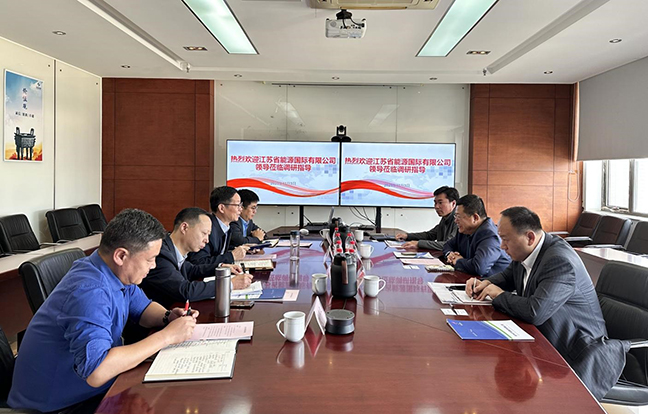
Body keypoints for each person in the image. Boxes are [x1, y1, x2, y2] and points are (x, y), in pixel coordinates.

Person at [9, 209, 199, 413]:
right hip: (58, 406)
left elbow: (142, 308)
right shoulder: (90, 292)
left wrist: (168, 317)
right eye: (149, 259)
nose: (153, 266)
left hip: (91, 389)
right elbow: (97, 371)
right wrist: (167, 337)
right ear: (121, 256)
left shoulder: (112, 271)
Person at [467, 206, 629, 400]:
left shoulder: (559, 261)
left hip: (574, 351)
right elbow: (507, 277)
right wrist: (484, 283)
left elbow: (535, 312)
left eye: (505, 239)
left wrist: (499, 295)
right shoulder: (527, 252)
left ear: (529, 237)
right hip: (543, 339)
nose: (502, 246)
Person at [139, 207, 253, 309]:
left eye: (208, 235)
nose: (207, 240)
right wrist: (229, 284)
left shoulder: (172, 248)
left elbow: (191, 270)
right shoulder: (160, 254)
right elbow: (185, 291)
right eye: (204, 233)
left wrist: (221, 267)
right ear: (184, 228)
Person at [442, 194, 510, 277]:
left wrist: (458, 261)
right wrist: (450, 254)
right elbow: (447, 245)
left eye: (458, 216)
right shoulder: (464, 230)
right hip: (471, 279)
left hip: (492, 283)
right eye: (455, 216)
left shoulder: (490, 235)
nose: (455, 221)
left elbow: (479, 267)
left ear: (475, 218)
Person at [187, 186, 249, 266]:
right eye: (237, 205)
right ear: (222, 208)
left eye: (240, 205)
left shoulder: (226, 226)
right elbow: (199, 262)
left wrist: (243, 250)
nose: (240, 209)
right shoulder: (207, 228)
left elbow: (219, 252)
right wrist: (231, 256)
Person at [396, 186, 459, 250]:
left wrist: (418, 244)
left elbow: (449, 244)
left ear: (453, 203)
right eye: (435, 203)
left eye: (440, 203)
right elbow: (430, 235)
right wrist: (407, 236)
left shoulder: (458, 220)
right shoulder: (445, 218)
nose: (436, 206)